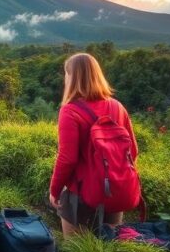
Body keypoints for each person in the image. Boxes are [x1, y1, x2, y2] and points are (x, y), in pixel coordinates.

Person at [48, 52, 139, 236]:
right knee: (111, 245)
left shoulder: (70, 111)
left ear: (72, 77)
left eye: (67, 73)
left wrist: (55, 190)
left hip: (81, 195)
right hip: (114, 189)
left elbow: (67, 159)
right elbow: (133, 151)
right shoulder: (117, 106)